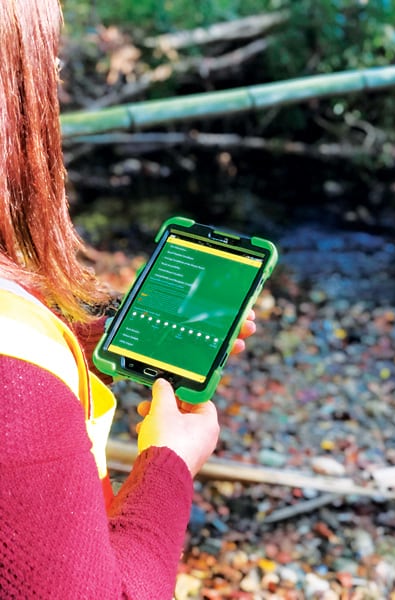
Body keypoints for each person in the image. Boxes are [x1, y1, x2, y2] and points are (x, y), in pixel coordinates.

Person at [0, 1, 256, 598]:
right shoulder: (17, 397)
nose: (56, 84)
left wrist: (104, 337)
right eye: (49, 65)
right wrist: (167, 464)